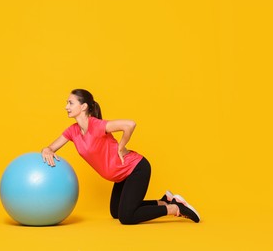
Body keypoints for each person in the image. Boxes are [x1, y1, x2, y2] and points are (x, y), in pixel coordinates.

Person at [41, 89, 200, 224]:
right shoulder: (72, 131)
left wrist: (121, 146)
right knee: (116, 212)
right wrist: (47, 150)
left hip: (135, 169)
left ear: (83, 107)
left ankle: (176, 208)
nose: (66, 107)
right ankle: (165, 201)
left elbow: (130, 124)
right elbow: (51, 147)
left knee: (126, 217)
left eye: (70, 103)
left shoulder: (96, 125)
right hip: (120, 176)